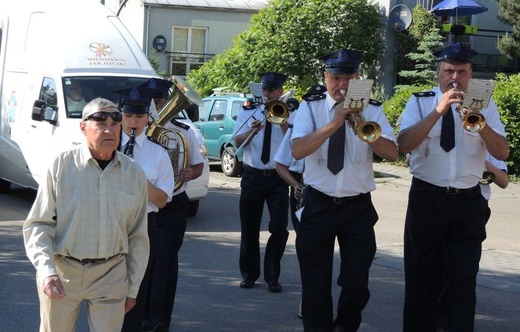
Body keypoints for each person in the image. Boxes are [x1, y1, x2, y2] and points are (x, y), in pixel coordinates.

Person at [397, 42, 509, 331]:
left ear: (470, 74)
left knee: (463, 284)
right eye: (449, 71)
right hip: (427, 198)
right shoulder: (419, 102)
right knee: (422, 281)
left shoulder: (486, 106)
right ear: (439, 73)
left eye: (461, 71)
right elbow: (403, 144)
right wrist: (438, 111)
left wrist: (480, 123)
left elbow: (502, 153)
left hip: (467, 202)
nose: (455, 78)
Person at [291, 48, 398, 331]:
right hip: (319, 203)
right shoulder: (310, 107)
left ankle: (345, 326)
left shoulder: (372, 109)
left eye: (348, 78)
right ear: (326, 78)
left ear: (357, 77)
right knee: (315, 283)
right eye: (336, 78)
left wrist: (363, 125)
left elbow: (391, 154)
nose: (342, 85)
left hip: (357, 207)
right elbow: (298, 150)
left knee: (357, 283)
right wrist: (334, 123)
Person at [23, 98, 150, 331]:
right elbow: (38, 224)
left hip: (111, 274)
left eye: (115, 122)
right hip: (64, 272)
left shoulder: (133, 173)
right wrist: (47, 270)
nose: (109, 128)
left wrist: (133, 288)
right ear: (83, 127)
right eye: (100, 121)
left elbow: (138, 236)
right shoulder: (61, 166)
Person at [142, 79, 205, 331]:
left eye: (161, 99)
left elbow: (198, 165)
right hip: (145, 204)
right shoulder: (136, 128)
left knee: (165, 258)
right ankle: (141, 315)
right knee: (143, 259)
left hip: (174, 202)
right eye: (154, 99)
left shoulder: (184, 130)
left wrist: (191, 172)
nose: (158, 103)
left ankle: (159, 319)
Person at [119, 83, 175, 332]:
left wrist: (138, 177)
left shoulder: (158, 153)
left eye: (140, 116)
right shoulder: (107, 147)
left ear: (147, 118)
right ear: (120, 115)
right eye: (129, 115)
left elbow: (162, 200)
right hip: (110, 223)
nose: (134, 122)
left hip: (144, 224)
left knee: (137, 288)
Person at [436, 153, 508, 331]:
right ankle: (440, 317)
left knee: (462, 270)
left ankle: (449, 319)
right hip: (440, 203)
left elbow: (503, 181)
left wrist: (480, 162)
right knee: (442, 266)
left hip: (475, 207)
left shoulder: (487, 139)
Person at [234, 71, 291, 293]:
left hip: (277, 177)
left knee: (278, 228)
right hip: (252, 175)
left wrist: (282, 121)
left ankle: (272, 276)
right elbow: (236, 140)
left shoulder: (288, 112)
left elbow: (294, 140)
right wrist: (252, 129)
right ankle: (249, 274)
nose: (267, 94)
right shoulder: (249, 111)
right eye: (265, 89)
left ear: (280, 91)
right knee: (249, 227)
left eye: (272, 90)